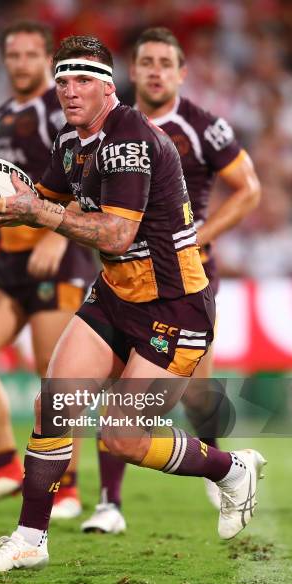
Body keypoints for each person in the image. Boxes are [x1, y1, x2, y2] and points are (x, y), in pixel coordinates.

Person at [0, 35, 266, 573]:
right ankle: (30, 538)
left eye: (82, 79)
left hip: (173, 306)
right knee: (53, 404)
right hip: (116, 295)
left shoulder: (128, 138)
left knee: (122, 437)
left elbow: (114, 235)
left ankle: (230, 468)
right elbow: (47, 200)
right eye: (62, 80)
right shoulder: (70, 140)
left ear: (108, 85)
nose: (69, 90)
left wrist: (41, 216)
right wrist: (7, 204)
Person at [80, 27, 262, 534]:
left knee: (196, 393)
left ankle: (220, 463)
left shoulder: (204, 127)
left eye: (166, 62)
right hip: (124, 275)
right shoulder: (103, 130)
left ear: (182, 73)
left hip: (187, 277)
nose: (156, 70)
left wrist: (205, 233)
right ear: (131, 71)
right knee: (116, 387)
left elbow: (248, 189)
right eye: (147, 61)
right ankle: (108, 503)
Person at [0, 22, 96, 514]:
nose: (21, 63)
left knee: (55, 375)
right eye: (12, 54)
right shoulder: (0, 118)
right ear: (3, 60)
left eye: (31, 55)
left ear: (46, 61)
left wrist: (59, 233)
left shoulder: (60, 114)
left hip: (58, 254)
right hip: (8, 256)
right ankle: (4, 465)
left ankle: (68, 486)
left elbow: (84, 178)